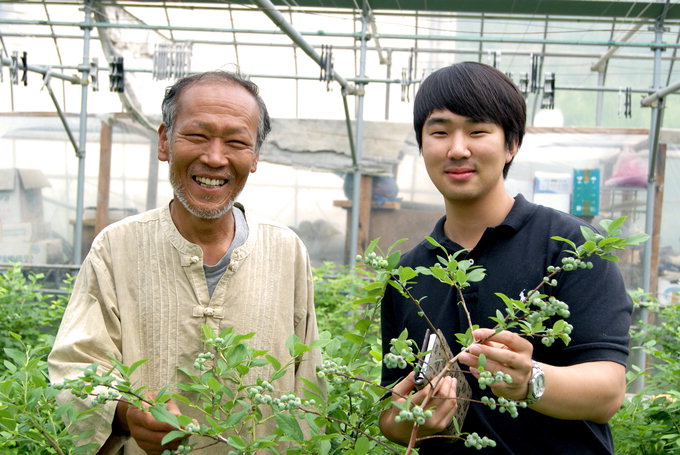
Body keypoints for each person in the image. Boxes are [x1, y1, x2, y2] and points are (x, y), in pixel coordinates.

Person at [49, 71, 322, 454]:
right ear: (164, 141)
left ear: (255, 156)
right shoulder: (117, 247)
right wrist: (127, 414)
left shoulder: (286, 250)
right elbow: (76, 367)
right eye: (196, 136)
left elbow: (307, 378)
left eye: (236, 142)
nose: (214, 158)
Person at [378, 62, 631, 454]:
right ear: (422, 143)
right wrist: (411, 419)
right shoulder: (408, 275)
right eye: (440, 132)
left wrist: (530, 381)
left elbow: (607, 392)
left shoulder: (571, 247)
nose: (457, 149)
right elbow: (392, 413)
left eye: (478, 131)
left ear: (511, 144)